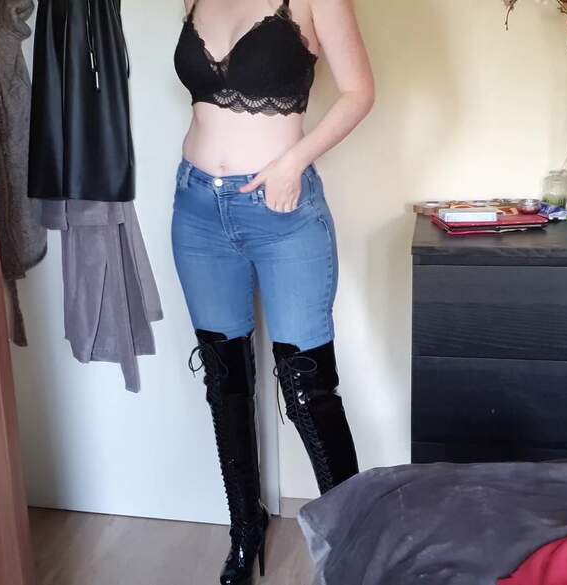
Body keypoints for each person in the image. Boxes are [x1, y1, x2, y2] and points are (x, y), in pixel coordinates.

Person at [173, 0, 374, 582]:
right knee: (224, 377)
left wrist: (294, 162)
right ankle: (245, 528)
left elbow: (359, 92)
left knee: (309, 385)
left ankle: (354, 548)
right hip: (197, 208)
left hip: (284, 211)